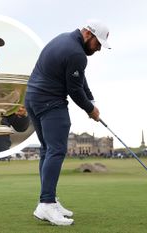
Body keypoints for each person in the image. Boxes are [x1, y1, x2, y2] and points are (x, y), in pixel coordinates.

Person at [25, 20, 111, 226]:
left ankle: (49, 199)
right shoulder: (77, 53)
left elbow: (79, 77)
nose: (98, 49)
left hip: (32, 99)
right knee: (56, 150)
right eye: (98, 44)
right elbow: (74, 90)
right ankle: (45, 204)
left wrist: (90, 99)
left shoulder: (65, 39)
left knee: (47, 150)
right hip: (50, 103)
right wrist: (91, 110)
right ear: (88, 34)